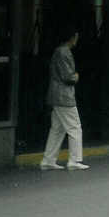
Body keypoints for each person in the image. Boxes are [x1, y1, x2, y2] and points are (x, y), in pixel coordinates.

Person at [40, 24, 89, 171]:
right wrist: (76, 76)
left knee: (57, 129)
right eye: (76, 37)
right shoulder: (64, 52)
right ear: (72, 37)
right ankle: (74, 160)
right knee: (75, 128)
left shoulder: (59, 51)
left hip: (56, 96)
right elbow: (68, 76)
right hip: (64, 96)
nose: (77, 40)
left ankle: (48, 159)